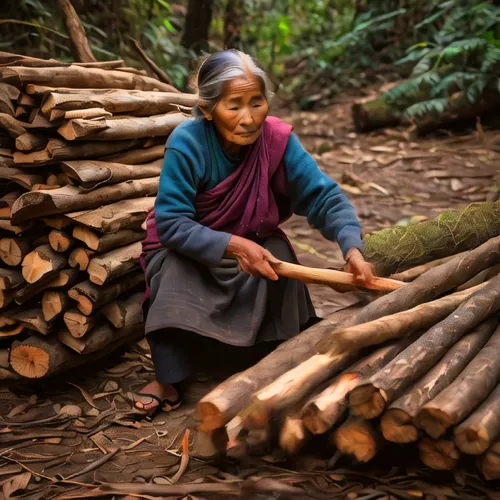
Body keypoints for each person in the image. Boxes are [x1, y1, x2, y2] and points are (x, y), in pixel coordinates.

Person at [131, 49, 375, 416]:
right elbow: (171, 224)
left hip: (255, 250)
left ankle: (268, 359)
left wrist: (352, 249)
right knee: (174, 267)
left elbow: (323, 196)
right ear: (209, 108)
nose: (248, 118)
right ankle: (170, 378)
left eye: (256, 102)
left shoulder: (278, 140)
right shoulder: (187, 142)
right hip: (195, 250)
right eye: (234, 105)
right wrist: (232, 245)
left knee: (277, 253)